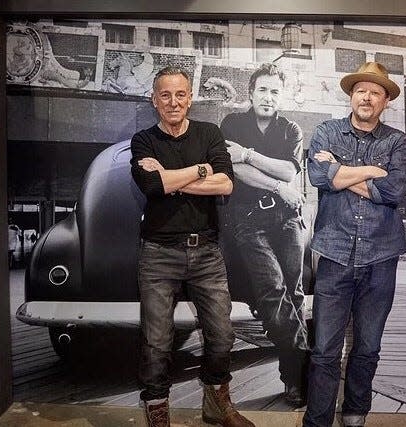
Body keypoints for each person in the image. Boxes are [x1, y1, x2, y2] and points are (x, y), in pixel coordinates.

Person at [130, 66, 255, 427]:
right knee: (156, 342)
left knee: (222, 335)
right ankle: (157, 412)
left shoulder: (209, 133)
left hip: (207, 253)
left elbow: (226, 185)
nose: (173, 102)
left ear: (190, 97)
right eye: (165, 95)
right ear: (154, 100)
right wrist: (201, 170)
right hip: (158, 253)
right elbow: (152, 187)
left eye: (180, 94)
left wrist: (173, 178)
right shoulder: (143, 140)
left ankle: (217, 405)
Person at [302, 62, 406, 427]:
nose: (367, 97)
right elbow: (318, 174)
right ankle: (317, 422)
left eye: (375, 92)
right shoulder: (327, 131)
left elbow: (394, 190)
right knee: (324, 351)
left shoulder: (397, 140)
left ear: (385, 102)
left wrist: (341, 172)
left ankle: (354, 418)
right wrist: (370, 171)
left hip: (381, 258)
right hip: (334, 255)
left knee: (367, 349)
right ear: (351, 95)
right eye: (361, 90)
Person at [218, 63, 308, 406]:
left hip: (287, 219)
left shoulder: (290, 129)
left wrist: (250, 155)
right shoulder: (232, 124)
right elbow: (235, 170)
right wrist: (276, 184)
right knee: (272, 291)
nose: (268, 97)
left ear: (280, 96)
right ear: (250, 93)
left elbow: (289, 170)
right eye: (262, 90)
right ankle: (308, 362)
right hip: (248, 219)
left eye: (274, 91)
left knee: (295, 294)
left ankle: (293, 381)